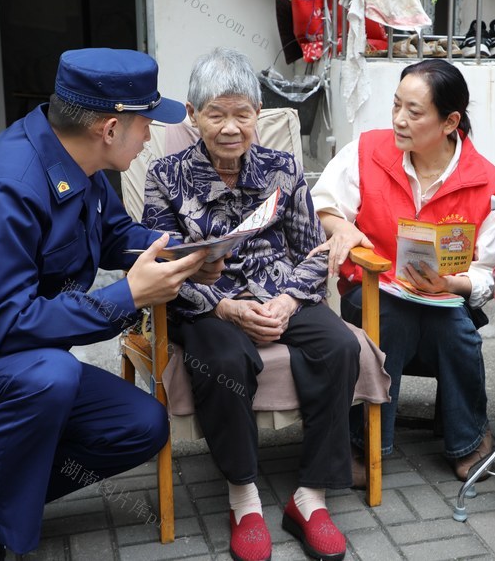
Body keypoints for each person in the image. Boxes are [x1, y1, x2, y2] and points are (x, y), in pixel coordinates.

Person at [0, 49, 213, 561]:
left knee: (140, 425)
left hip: (6, 369)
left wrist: (181, 252)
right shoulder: (8, 186)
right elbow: (7, 328)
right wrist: (129, 295)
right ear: (109, 127)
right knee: (50, 373)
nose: (149, 134)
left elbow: (115, 237)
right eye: (145, 121)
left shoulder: (80, 164)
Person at [142, 48, 357, 561]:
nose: (231, 127)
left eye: (242, 113)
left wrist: (286, 301)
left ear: (258, 113)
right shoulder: (164, 176)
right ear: (193, 116)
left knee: (339, 345)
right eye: (216, 113)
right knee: (222, 358)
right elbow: (162, 267)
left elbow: (312, 251)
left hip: (279, 291)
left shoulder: (283, 168)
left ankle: (311, 496)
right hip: (204, 303)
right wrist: (226, 308)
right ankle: (244, 496)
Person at [310, 59, 495, 482]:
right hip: (374, 289)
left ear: (450, 121)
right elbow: (322, 201)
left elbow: (486, 271)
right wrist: (342, 225)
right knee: (390, 317)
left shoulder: (487, 182)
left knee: (457, 328)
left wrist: (452, 282)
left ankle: (469, 441)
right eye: (396, 105)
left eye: (414, 112)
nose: (399, 119)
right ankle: (365, 443)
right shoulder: (366, 152)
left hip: (443, 296)